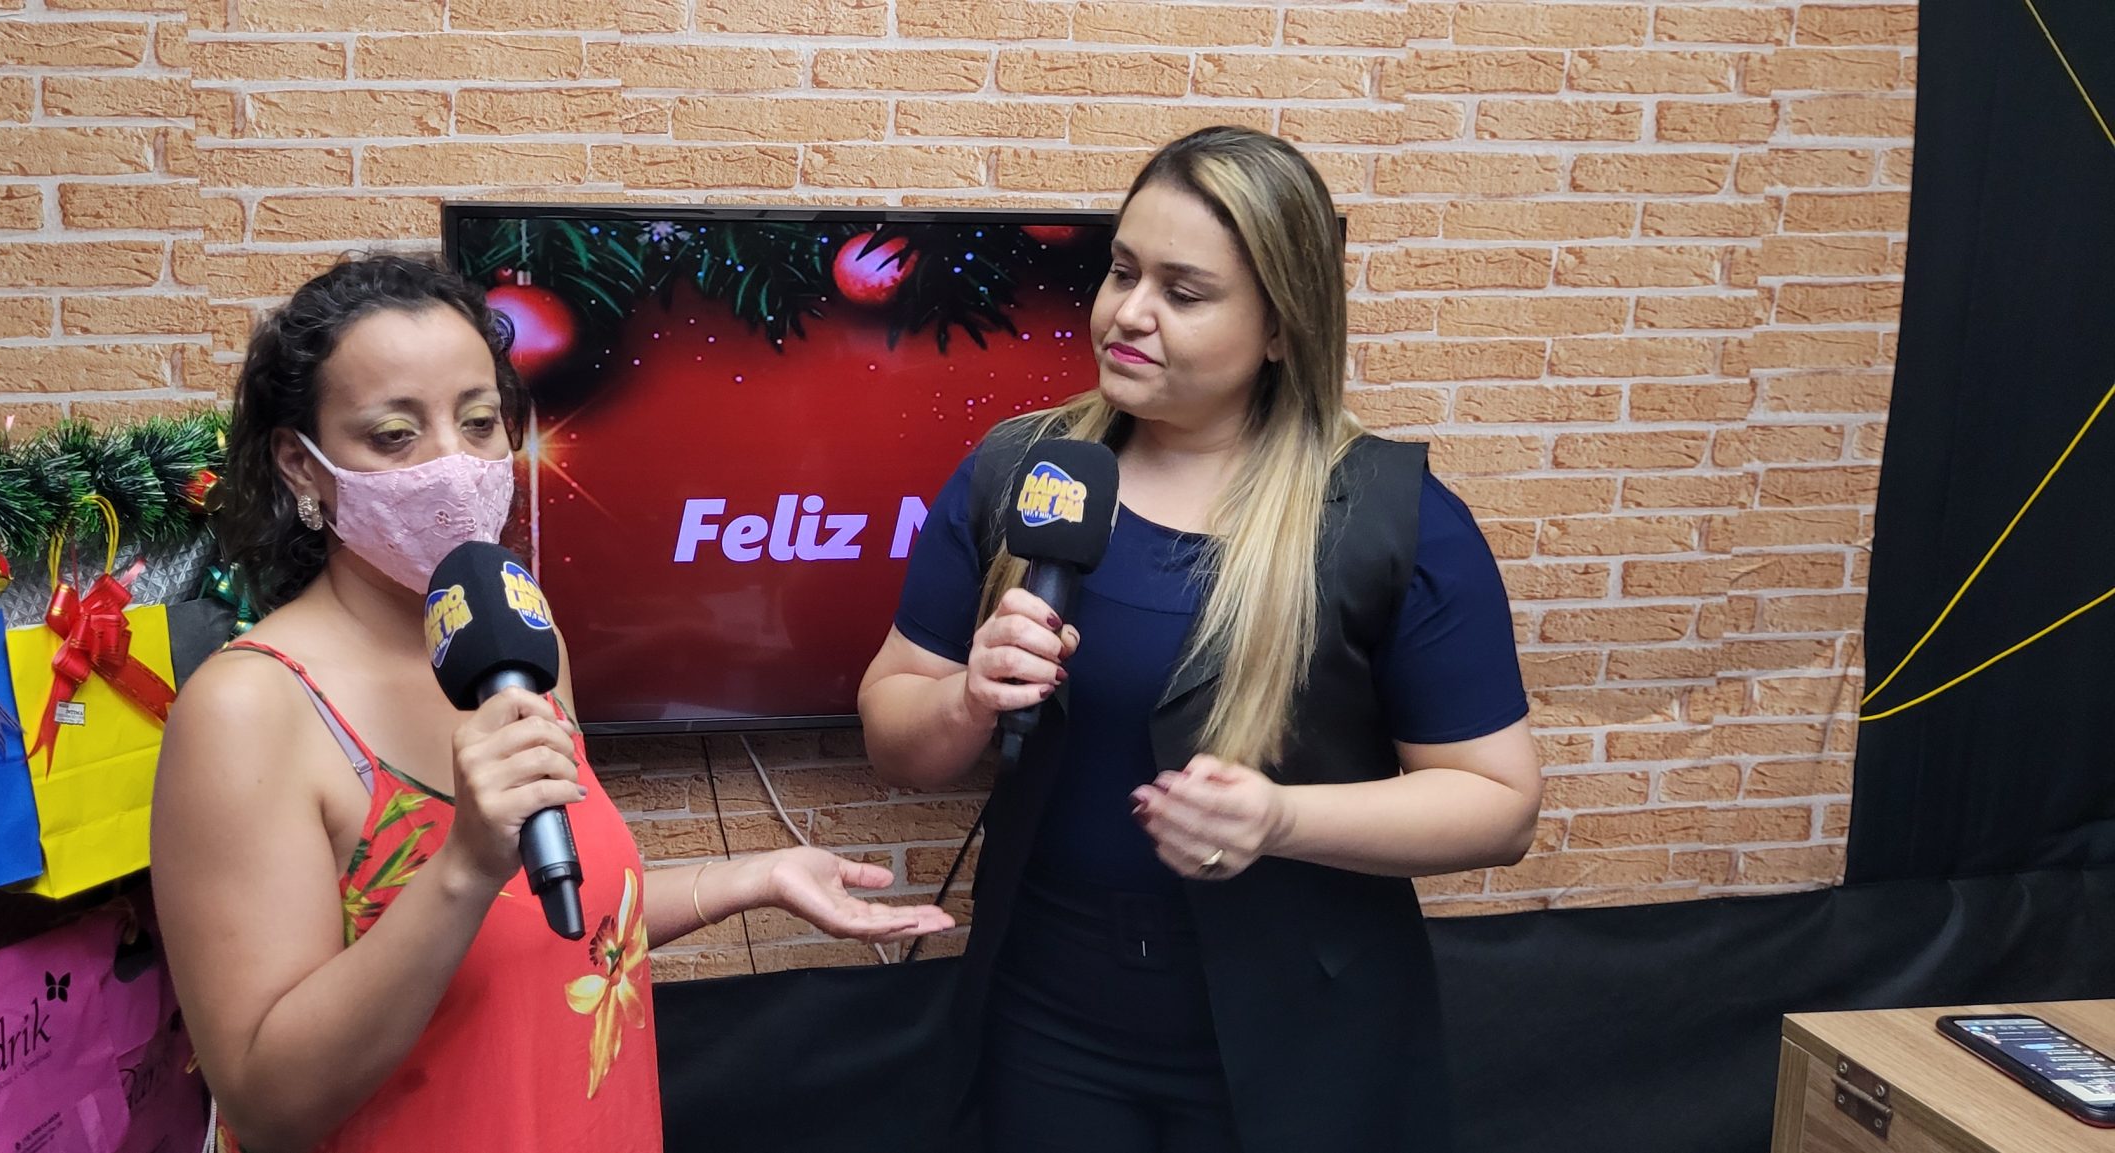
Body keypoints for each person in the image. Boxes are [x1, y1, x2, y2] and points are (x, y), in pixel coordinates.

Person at [152, 254, 953, 1153]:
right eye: (394, 435)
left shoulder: (526, 646)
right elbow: (266, 1099)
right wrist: (462, 866)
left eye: (478, 421)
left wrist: (753, 878)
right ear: (302, 464)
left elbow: (558, 917)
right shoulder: (248, 709)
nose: (453, 464)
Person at [859, 127, 1544, 1153]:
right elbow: (891, 728)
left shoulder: (1391, 520)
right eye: (1121, 271)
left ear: (1280, 328)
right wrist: (966, 699)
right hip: (1047, 1020)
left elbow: (1499, 804)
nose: (1128, 313)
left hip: (1303, 1034)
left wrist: (1280, 818)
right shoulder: (1023, 472)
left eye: (1183, 292)